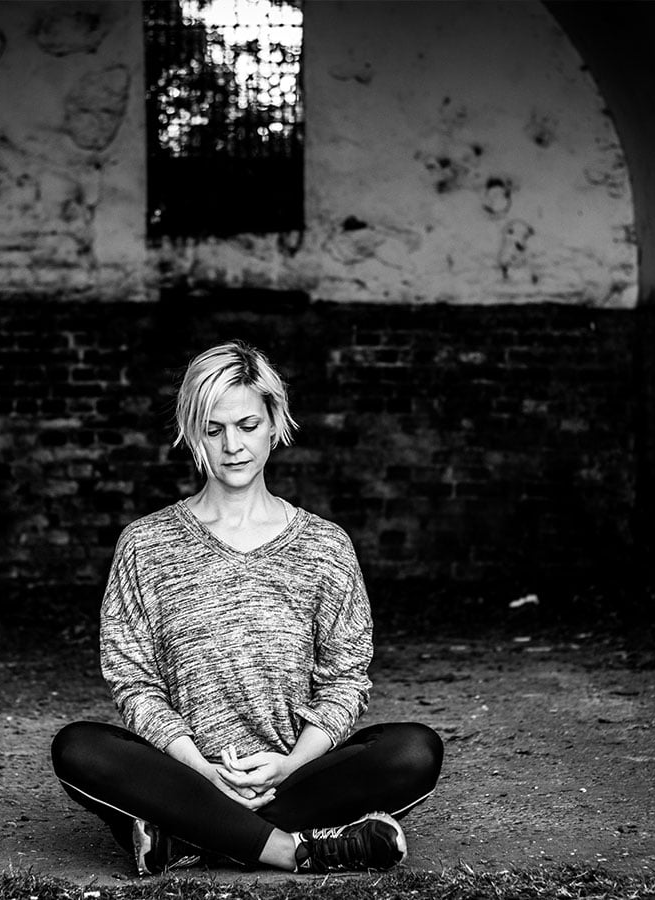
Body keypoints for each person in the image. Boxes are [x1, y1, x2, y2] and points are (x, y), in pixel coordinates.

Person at [51, 341, 443, 876]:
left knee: (415, 751)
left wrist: (290, 763)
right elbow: (133, 680)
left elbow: (345, 680)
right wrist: (202, 770)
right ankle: (293, 849)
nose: (233, 445)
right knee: (78, 748)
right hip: (182, 775)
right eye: (214, 430)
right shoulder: (145, 543)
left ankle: (184, 839)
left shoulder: (324, 546)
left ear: (275, 422)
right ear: (193, 435)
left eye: (248, 425)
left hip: (294, 776)